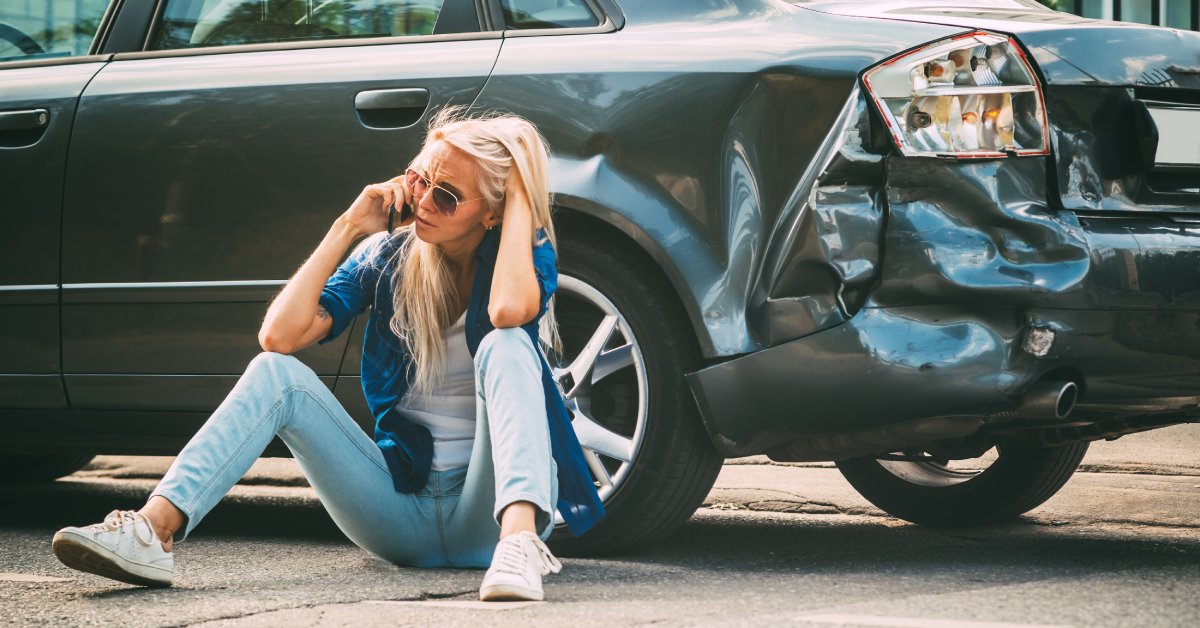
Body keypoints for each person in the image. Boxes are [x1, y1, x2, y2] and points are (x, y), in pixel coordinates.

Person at [50, 106, 604, 601]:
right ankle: (153, 530)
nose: (423, 201)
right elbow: (279, 338)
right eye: (419, 180)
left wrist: (521, 207)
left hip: (487, 518)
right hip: (399, 513)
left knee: (508, 345)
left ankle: (519, 546)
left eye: (448, 195)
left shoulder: (526, 255)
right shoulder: (388, 255)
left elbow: (509, 313)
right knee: (276, 374)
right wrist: (347, 227)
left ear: (493, 213)